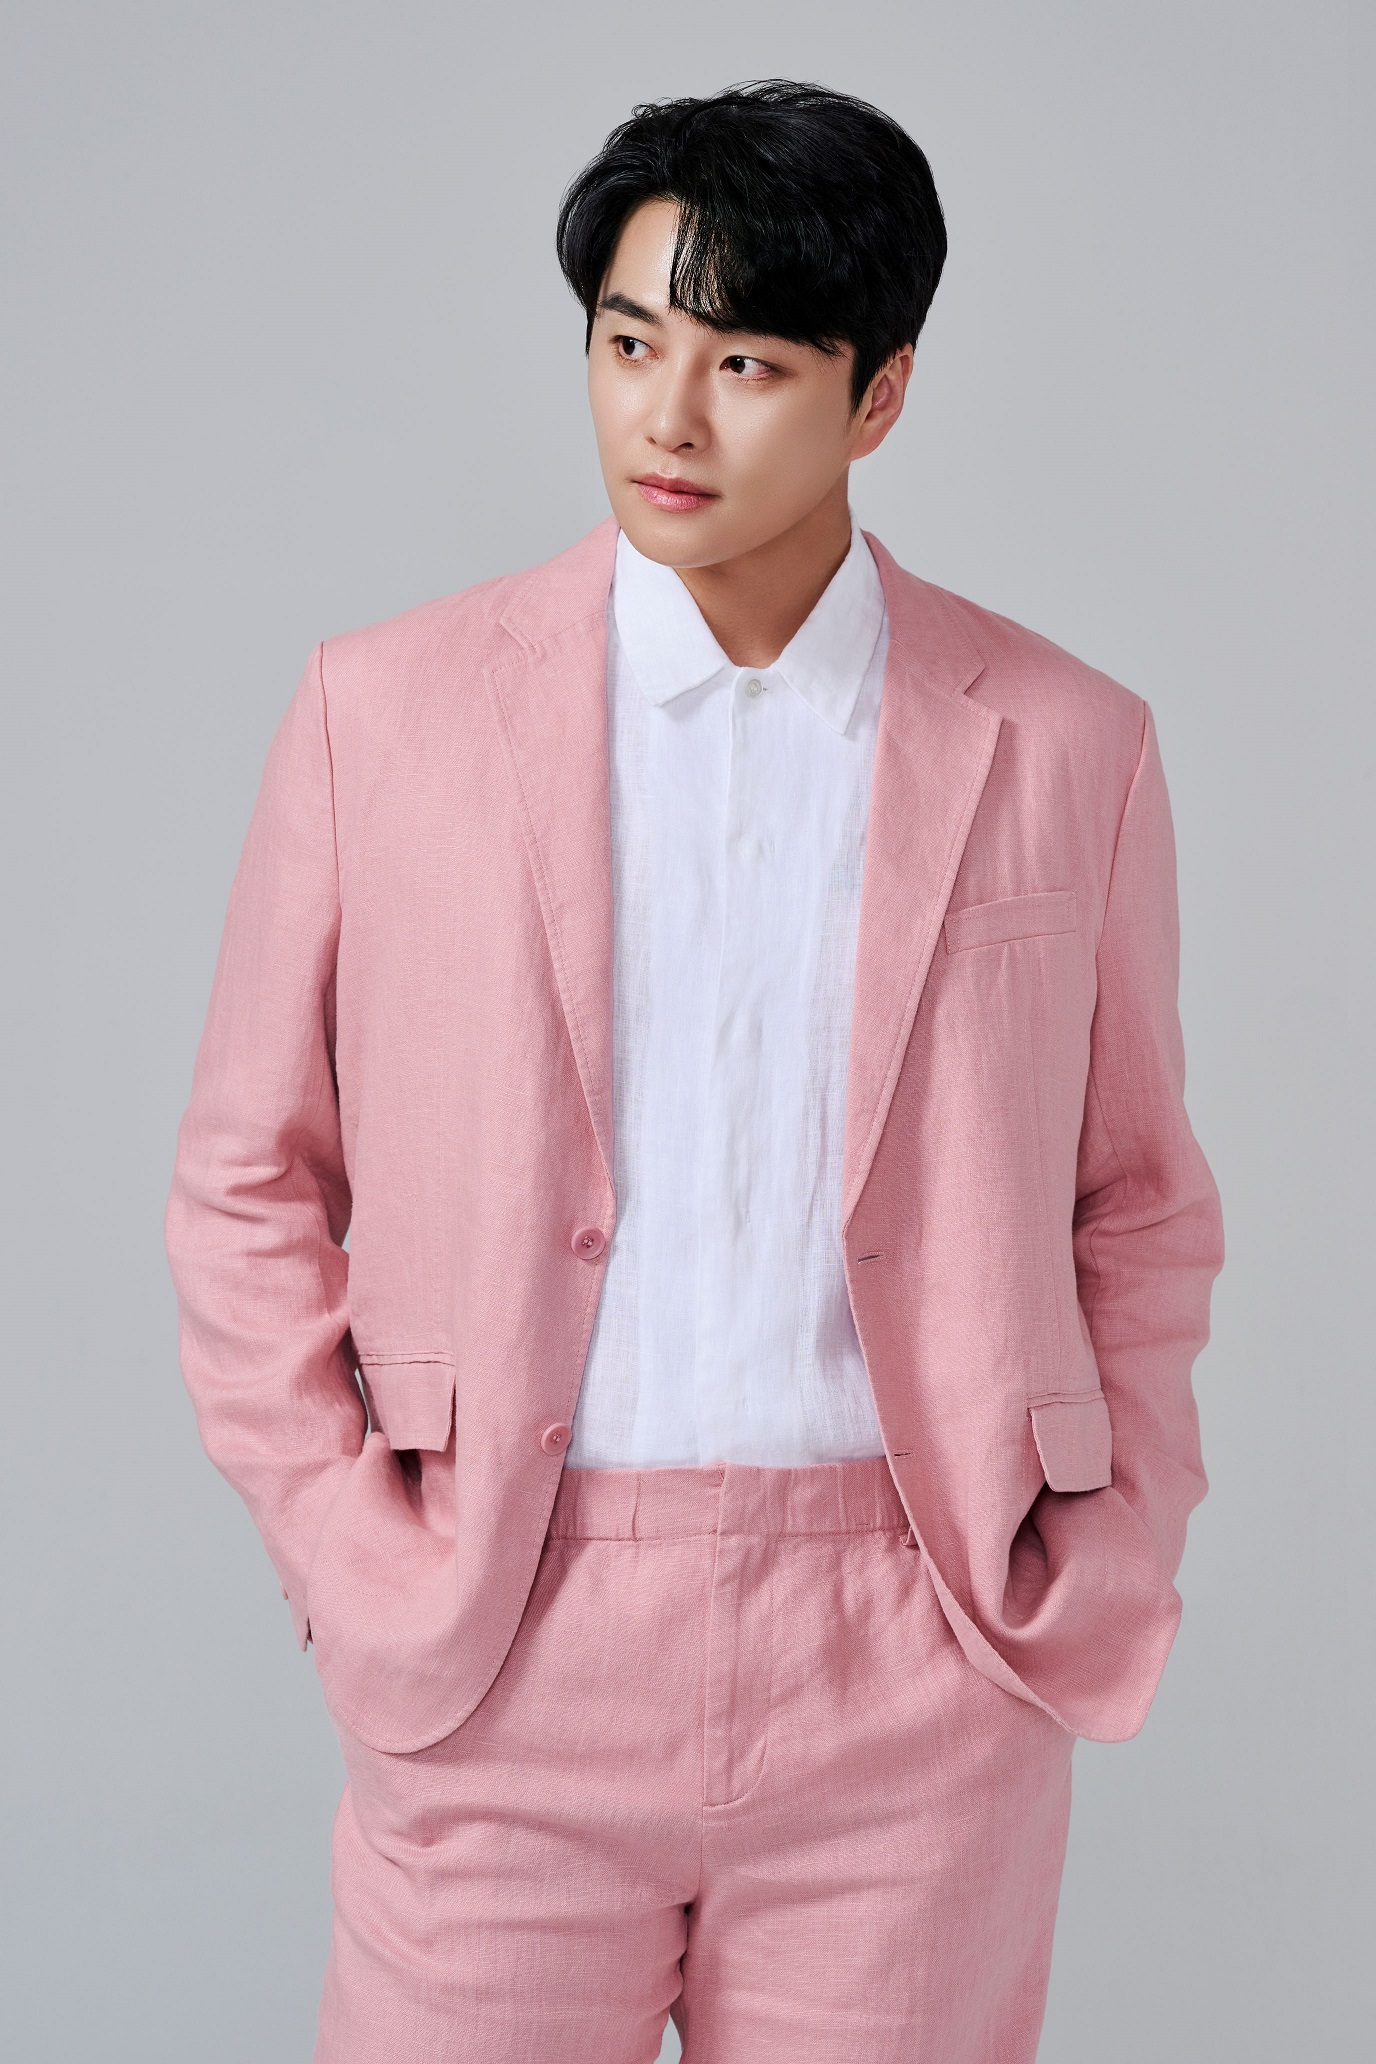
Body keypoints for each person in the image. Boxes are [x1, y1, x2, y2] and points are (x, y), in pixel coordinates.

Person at [165, 78, 1224, 2064]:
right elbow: (246, 1181)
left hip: (908, 1660)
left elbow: (1140, 1201)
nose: (667, 416)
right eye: (629, 343)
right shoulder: (381, 714)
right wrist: (351, 1550)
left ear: (877, 394)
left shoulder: (1066, 744)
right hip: (502, 1641)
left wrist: (1098, 1548)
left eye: (744, 364)